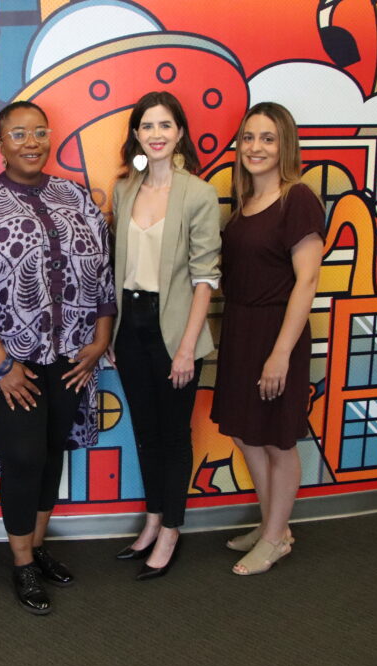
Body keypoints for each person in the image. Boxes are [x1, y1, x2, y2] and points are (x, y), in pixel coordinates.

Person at [0, 101, 117, 615]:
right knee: (21, 458)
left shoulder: (74, 196)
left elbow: (103, 273)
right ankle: (20, 563)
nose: (32, 142)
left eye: (39, 132)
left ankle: (38, 548)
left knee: (51, 452)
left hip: (72, 358)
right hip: (10, 362)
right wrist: (1, 364)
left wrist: (102, 337)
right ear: (1, 145)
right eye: (19, 134)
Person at [210, 102, 326, 575]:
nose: (255, 147)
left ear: (285, 147)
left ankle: (277, 536)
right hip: (240, 328)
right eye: (249, 137)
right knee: (245, 431)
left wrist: (280, 354)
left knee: (278, 441)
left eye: (268, 138)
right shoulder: (244, 206)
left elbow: (308, 281)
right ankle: (271, 523)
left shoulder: (297, 199)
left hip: (277, 332)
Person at [109, 92, 221, 580]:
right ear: (136, 133)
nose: (156, 133)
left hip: (174, 326)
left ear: (180, 133)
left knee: (174, 436)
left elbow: (205, 278)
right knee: (144, 432)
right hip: (129, 325)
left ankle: (172, 527)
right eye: (147, 125)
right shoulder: (125, 189)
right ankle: (153, 517)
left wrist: (185, 349)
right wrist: (112, 333)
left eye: (165, 125)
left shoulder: (197, 193)